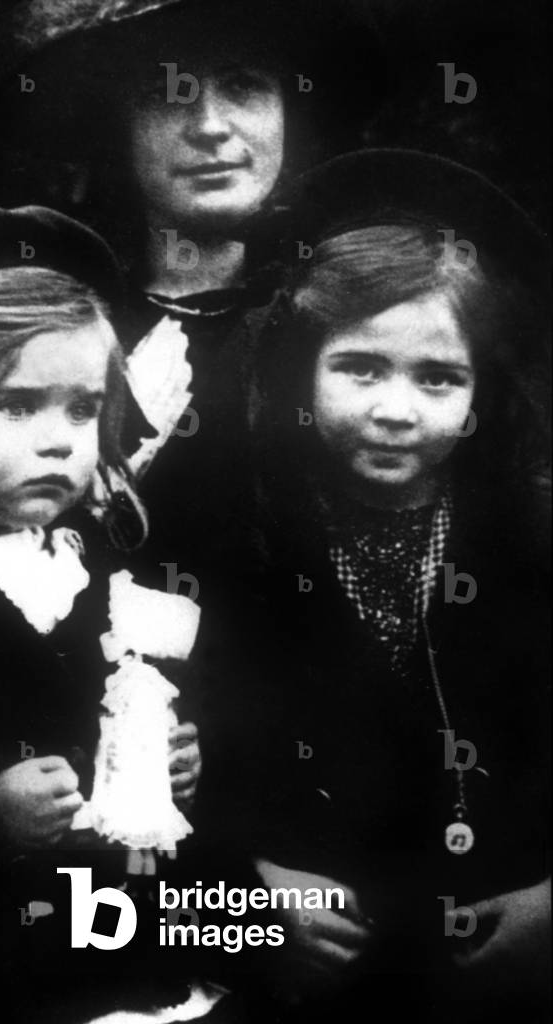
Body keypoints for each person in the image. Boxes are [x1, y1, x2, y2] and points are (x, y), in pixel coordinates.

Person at [199, 151, 550, 1023]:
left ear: (479, 393)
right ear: (302, 372)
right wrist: (241, 901)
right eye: (359, 367)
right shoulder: (228, 538)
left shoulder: (530, 538)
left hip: (497, 963)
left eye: (438, 378)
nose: (397, 408)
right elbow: (160, 770)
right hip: (306, 971)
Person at [0, 206, 202, 1023]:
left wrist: (162, 761)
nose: (59, 441)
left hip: (110, 945)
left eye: (82, 410)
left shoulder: (91, 567)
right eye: (16, 407)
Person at [0, 0, 380, 587]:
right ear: (118, 132)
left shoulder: (345, 328)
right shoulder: (55, 333)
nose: (210, 125)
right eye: (167, 94)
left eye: (243, 87)